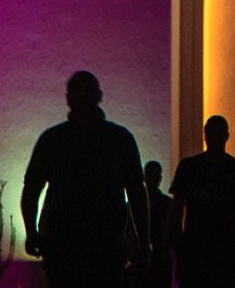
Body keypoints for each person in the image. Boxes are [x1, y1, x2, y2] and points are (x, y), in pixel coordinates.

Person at [23, 70, 150, 286]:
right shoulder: (120, 139)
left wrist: (32, 231)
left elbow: (32, 190)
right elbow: (136, 192)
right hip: (104, 243)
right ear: (99, 96)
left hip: (65, 243)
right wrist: (144, 240)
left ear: (67, 99)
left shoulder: (52, 139)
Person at [170, 115, 235, 288]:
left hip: (201, 248)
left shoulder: (189, 166)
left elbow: (176, 210)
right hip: (220, 249)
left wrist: (175, 246)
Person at [141, 161, 175, 288]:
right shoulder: (168, 204)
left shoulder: (136, 204)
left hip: (147, 258)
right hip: (161, 256)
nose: (152, 179)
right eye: (150, 175)